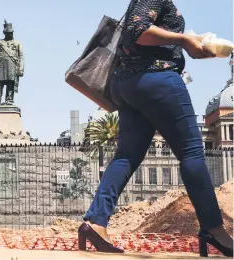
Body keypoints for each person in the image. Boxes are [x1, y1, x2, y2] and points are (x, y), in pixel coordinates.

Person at [78, 0, 233, 257]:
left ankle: (95, 221)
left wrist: (190, 45)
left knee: (127, 156)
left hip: (128, 84)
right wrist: (184, 40)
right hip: (156, 80)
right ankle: (214, 230)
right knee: (192, 153)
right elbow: (138, 31)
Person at [0, 20, 24, 105]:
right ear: (5, 33)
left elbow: (21, 57)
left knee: (10, 83)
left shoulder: (17, 43)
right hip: (0, 65)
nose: (10, 34)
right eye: (8, 33)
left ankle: (9, 100)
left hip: (12, 65)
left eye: (11, 32)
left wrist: (21, 69)